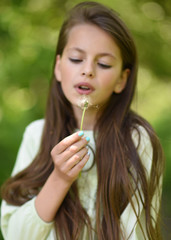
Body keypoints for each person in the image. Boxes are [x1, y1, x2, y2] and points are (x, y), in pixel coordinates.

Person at [0, 1, 164, 240]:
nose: (87, 70)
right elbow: (15, 235)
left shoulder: (137, 140)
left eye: (104, 63)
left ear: (121, 79)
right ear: (58, 67)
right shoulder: (37, 134)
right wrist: (60, 179)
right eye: (76, 59)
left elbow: (137, 234)